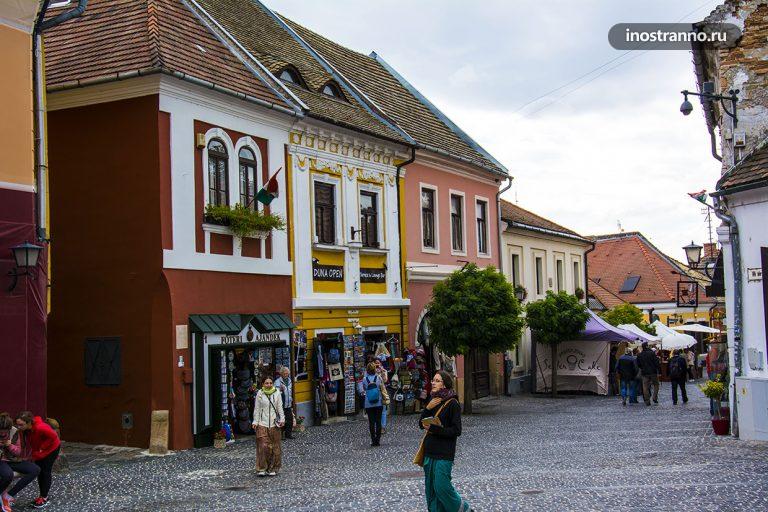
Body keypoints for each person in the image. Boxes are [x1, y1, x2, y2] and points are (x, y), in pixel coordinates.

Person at [419, 370, 471, 512]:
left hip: (444, 453)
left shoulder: (452, 403)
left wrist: (436, 429)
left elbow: (456, 430)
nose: (433, 383)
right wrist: (427, 409)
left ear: (444, 384)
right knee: (431, 491)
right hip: (429, 453)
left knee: (442, 488)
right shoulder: (432, 400)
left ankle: (464, 509)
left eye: (437, 380)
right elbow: (420, 424)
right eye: (433, 380)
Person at [14, 412, 59, 509]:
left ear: (29, 422)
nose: (18, 427)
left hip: (51, 449)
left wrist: (42, 448)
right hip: (39, 451)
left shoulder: (40, 427)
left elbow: (54, 436)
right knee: (39, 471)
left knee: (45, 472)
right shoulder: (27, 429)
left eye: (21, 425)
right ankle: (41, 496)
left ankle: (44, 497)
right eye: (17, 424)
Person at [1, 413, 40, 512]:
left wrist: (9, 445)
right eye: (1, 431)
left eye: (5, 431)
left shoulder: (14, 431)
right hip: (1, 461)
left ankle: (8, 496)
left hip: (12, 460)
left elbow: (18, 452)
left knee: (35, 469)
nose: (3, 433)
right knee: (8, 474)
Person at [251, 376, 285, 477]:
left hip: (274, 424)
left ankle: (273, 468)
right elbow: (257, 408)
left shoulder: (277, 393)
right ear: (263, 384)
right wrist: (255, 421)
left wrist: (282, 419)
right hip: (262, 423)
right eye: (267, 383)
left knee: (275, 447)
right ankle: (262, 468)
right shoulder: (260, 394)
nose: (269, 385)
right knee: (263, 446)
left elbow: (280, 407)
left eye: (270, 383)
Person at [358, 363, 385, 446]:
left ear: (367, 370)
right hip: (379, 402)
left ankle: (373, 440)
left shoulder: (364, 379)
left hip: (369, 403)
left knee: (371, 422)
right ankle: (378, 440)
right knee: (378, 421)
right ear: (374, 370)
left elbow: (361, 391)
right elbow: (383, 388)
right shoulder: (378, 378)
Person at [274, 367, 294, 440]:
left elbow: (290, 391)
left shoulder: (289, 381)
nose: (286, 375)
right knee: (281, 420)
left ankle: (288, 434)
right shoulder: (277, 382)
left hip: (288, 403)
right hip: (281, 404)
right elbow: (275, 392)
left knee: (290, 419)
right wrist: (280, 389)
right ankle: (281, 435)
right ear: (281, 374)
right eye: (284, 373)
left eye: (287, 373)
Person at [374, 358, 390, 433]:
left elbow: (385, 380)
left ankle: (382, 427)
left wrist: (382, 372)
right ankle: (377, 426)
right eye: (376, 363)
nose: (377, 365)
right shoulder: (371, 372)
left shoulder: (383, 371)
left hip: (382, 393)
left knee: (383, 411)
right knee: (376, 411)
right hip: (374, 393)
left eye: (378, 363)